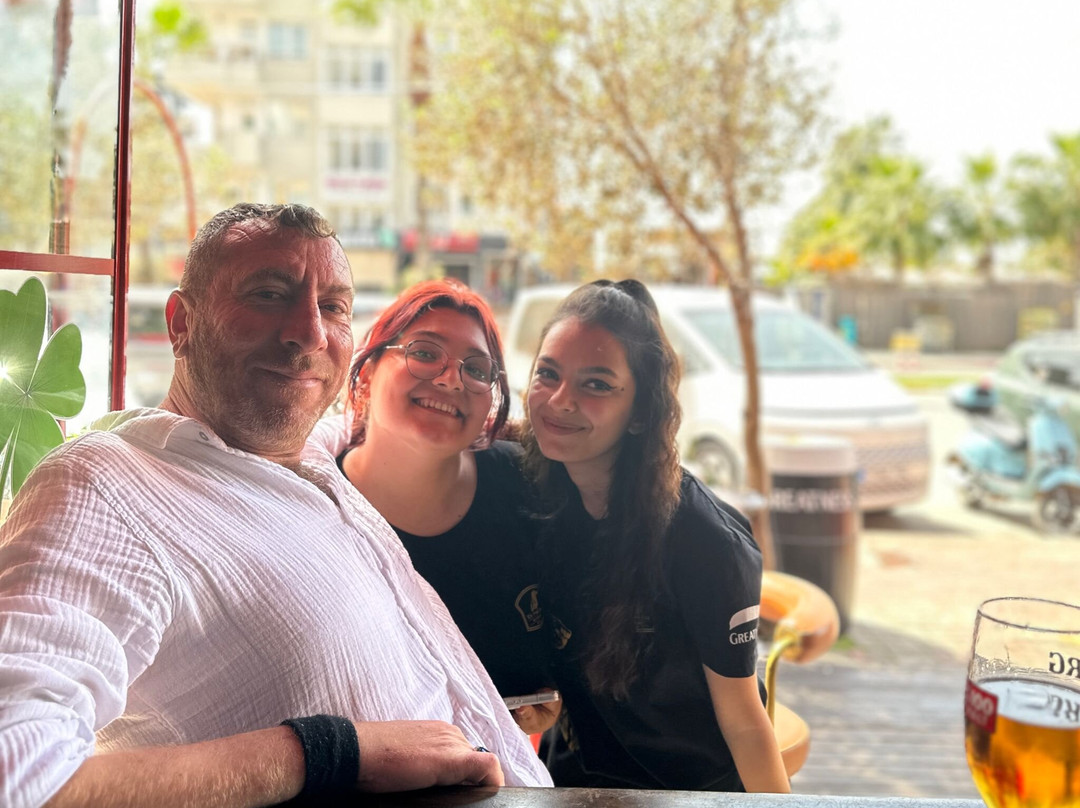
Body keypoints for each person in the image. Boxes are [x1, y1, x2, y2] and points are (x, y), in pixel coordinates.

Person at [0, 203, 551, 808]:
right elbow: (18, 774)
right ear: (182, 323)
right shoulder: (109, 486)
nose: (308, 333)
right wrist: (328, 754)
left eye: (333, 307)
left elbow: (350, 416)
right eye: (268, 294)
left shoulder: (308, 460)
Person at [522, 279, 790, 792]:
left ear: (642, 412)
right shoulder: (531, 493)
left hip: (688, 794)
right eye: (548, 373)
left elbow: (744, 723)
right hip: (570, 784)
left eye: (596, 384)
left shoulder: (705, 541)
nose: (560, 400)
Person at [334, 279, 558, 735]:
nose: (451, 378)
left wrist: (549, 704)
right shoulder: (313, 512)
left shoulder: (531, 487)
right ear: (368, 372)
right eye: (424, 352)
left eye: (476, 368)